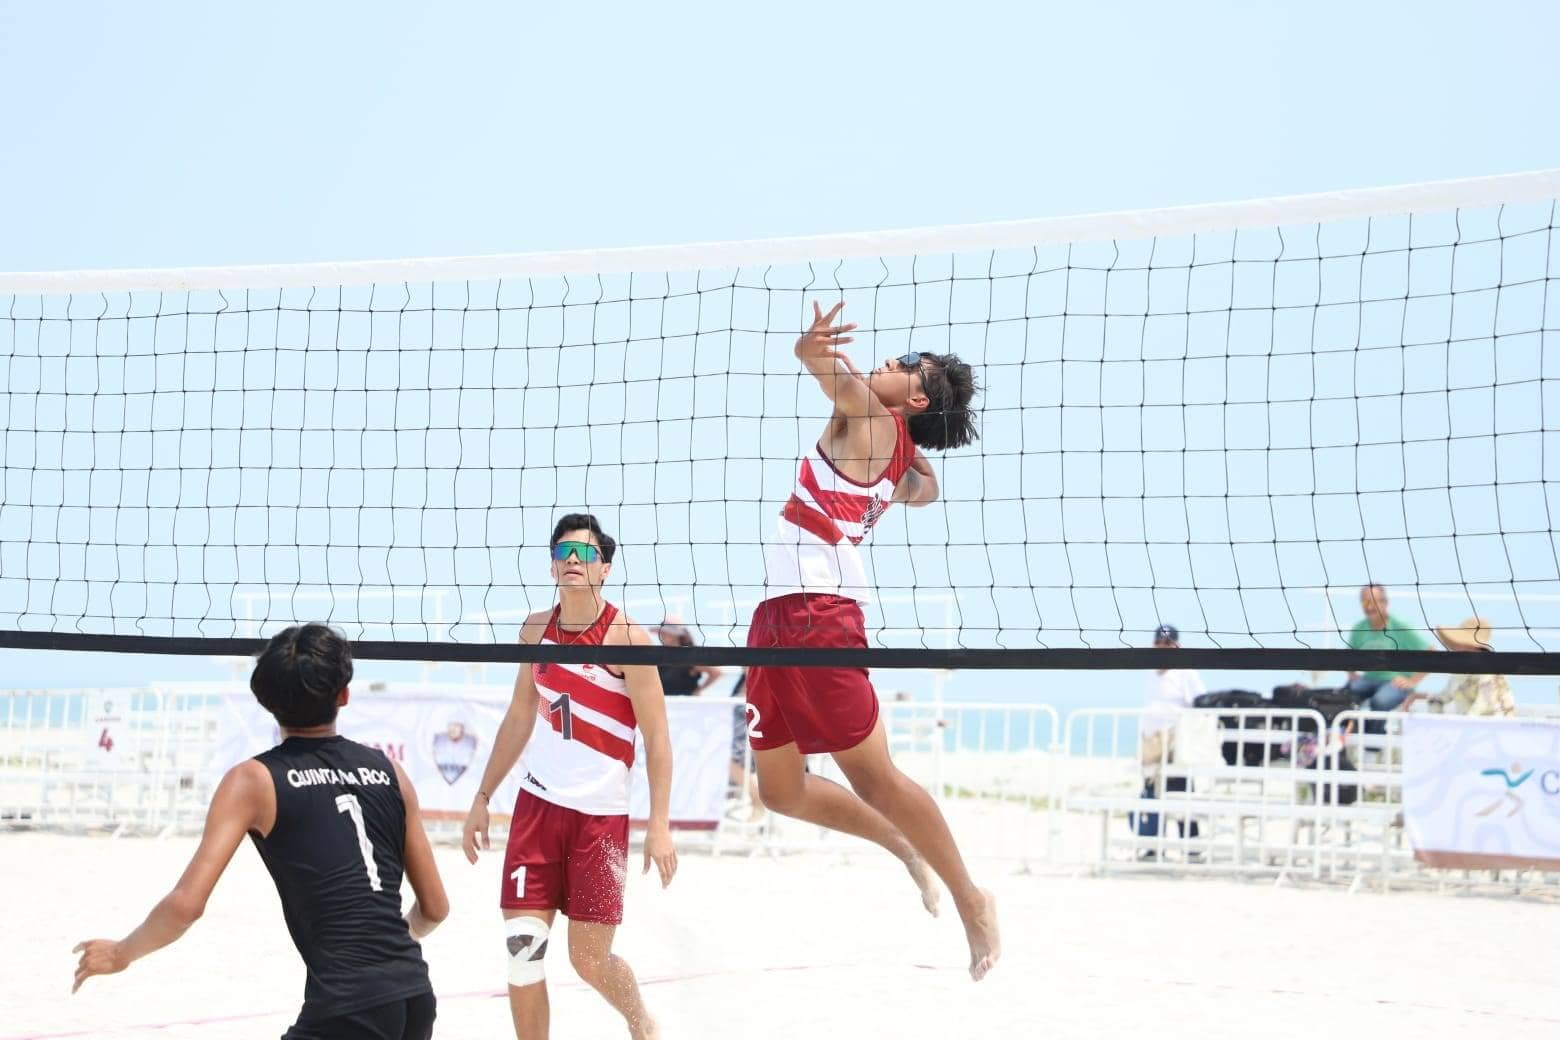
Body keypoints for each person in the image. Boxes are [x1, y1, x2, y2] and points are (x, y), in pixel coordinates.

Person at [744, 300, 999, 980]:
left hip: (819, 614)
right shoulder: (896, 446)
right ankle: (900, 844)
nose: (896, 355)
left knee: (876, 777)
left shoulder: (871, 413)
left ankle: (973, 899)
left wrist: (813, 347)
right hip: (777, 612)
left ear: (916, 395)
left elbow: (817, 364)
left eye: (910, 362)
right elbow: (927, 490)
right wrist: (915, 448)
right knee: (781, 791)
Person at [72, 624, 449, 1040]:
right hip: (415, 996)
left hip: (347, 1008)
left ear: (265, 700)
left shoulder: (252, 781)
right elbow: (434, 908)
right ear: (343, 695)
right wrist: (388, 950)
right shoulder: (390, 772)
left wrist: (122, 952)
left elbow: (186, 906)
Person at [462, 513, 677, 1040]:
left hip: (601, 818)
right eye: (564, 553)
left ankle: (640, 1021)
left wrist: (660, 824)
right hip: (537, 809)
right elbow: (519, 714)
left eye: (586, 554)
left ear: (604, 568)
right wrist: (482, 796)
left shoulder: (629, 639)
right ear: (553, 566)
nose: (574, 562)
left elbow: (658, 739)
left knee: (589, 960)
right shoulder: (536, 629)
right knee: (522, 951)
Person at [1139, 624, 1207, 852]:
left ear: (1177, 646)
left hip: (1177, 745)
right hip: (1152, 744)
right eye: (1158, 643)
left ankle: (1192, 847)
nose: (1162, 648)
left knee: (1181, 795)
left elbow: (1201, 703)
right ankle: (1152, 846)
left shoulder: (1186, 672)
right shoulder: (1151, 671)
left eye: (1167, 644)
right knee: (1151, 793)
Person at [1403, 616, 1515, 717]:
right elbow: (1445, 695)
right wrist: (1420, 696)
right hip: (1467, 730)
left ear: (1475, 648)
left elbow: (1484, 704)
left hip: (1496, 730)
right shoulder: (1459, 670)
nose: (1455, 647)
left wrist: (1459, 725)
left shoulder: (1489, 670)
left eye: (1460, 643)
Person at [1344, 584, 1431, 711]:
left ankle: (1377, 731)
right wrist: (1351, 673)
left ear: (1385, 603)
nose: (1369, 606)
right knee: (1344, 696)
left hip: (1395, 682)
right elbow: (1347, 657)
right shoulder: (1359, 628)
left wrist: (1412, 681)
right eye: (1365, 602)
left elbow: (1432, 654)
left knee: (1381, 701)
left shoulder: (1400, 626)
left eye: (1373, 601)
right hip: (1369, 679)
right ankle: (1343, 729)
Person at [650, 620, 723, 696]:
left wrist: (699, 690)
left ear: (676, 635)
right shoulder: (659, 654)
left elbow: (716, 672)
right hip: (664, 701)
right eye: (661, 633)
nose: (662, 636)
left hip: (686, 703)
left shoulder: (690, 655)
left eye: (665, 633)